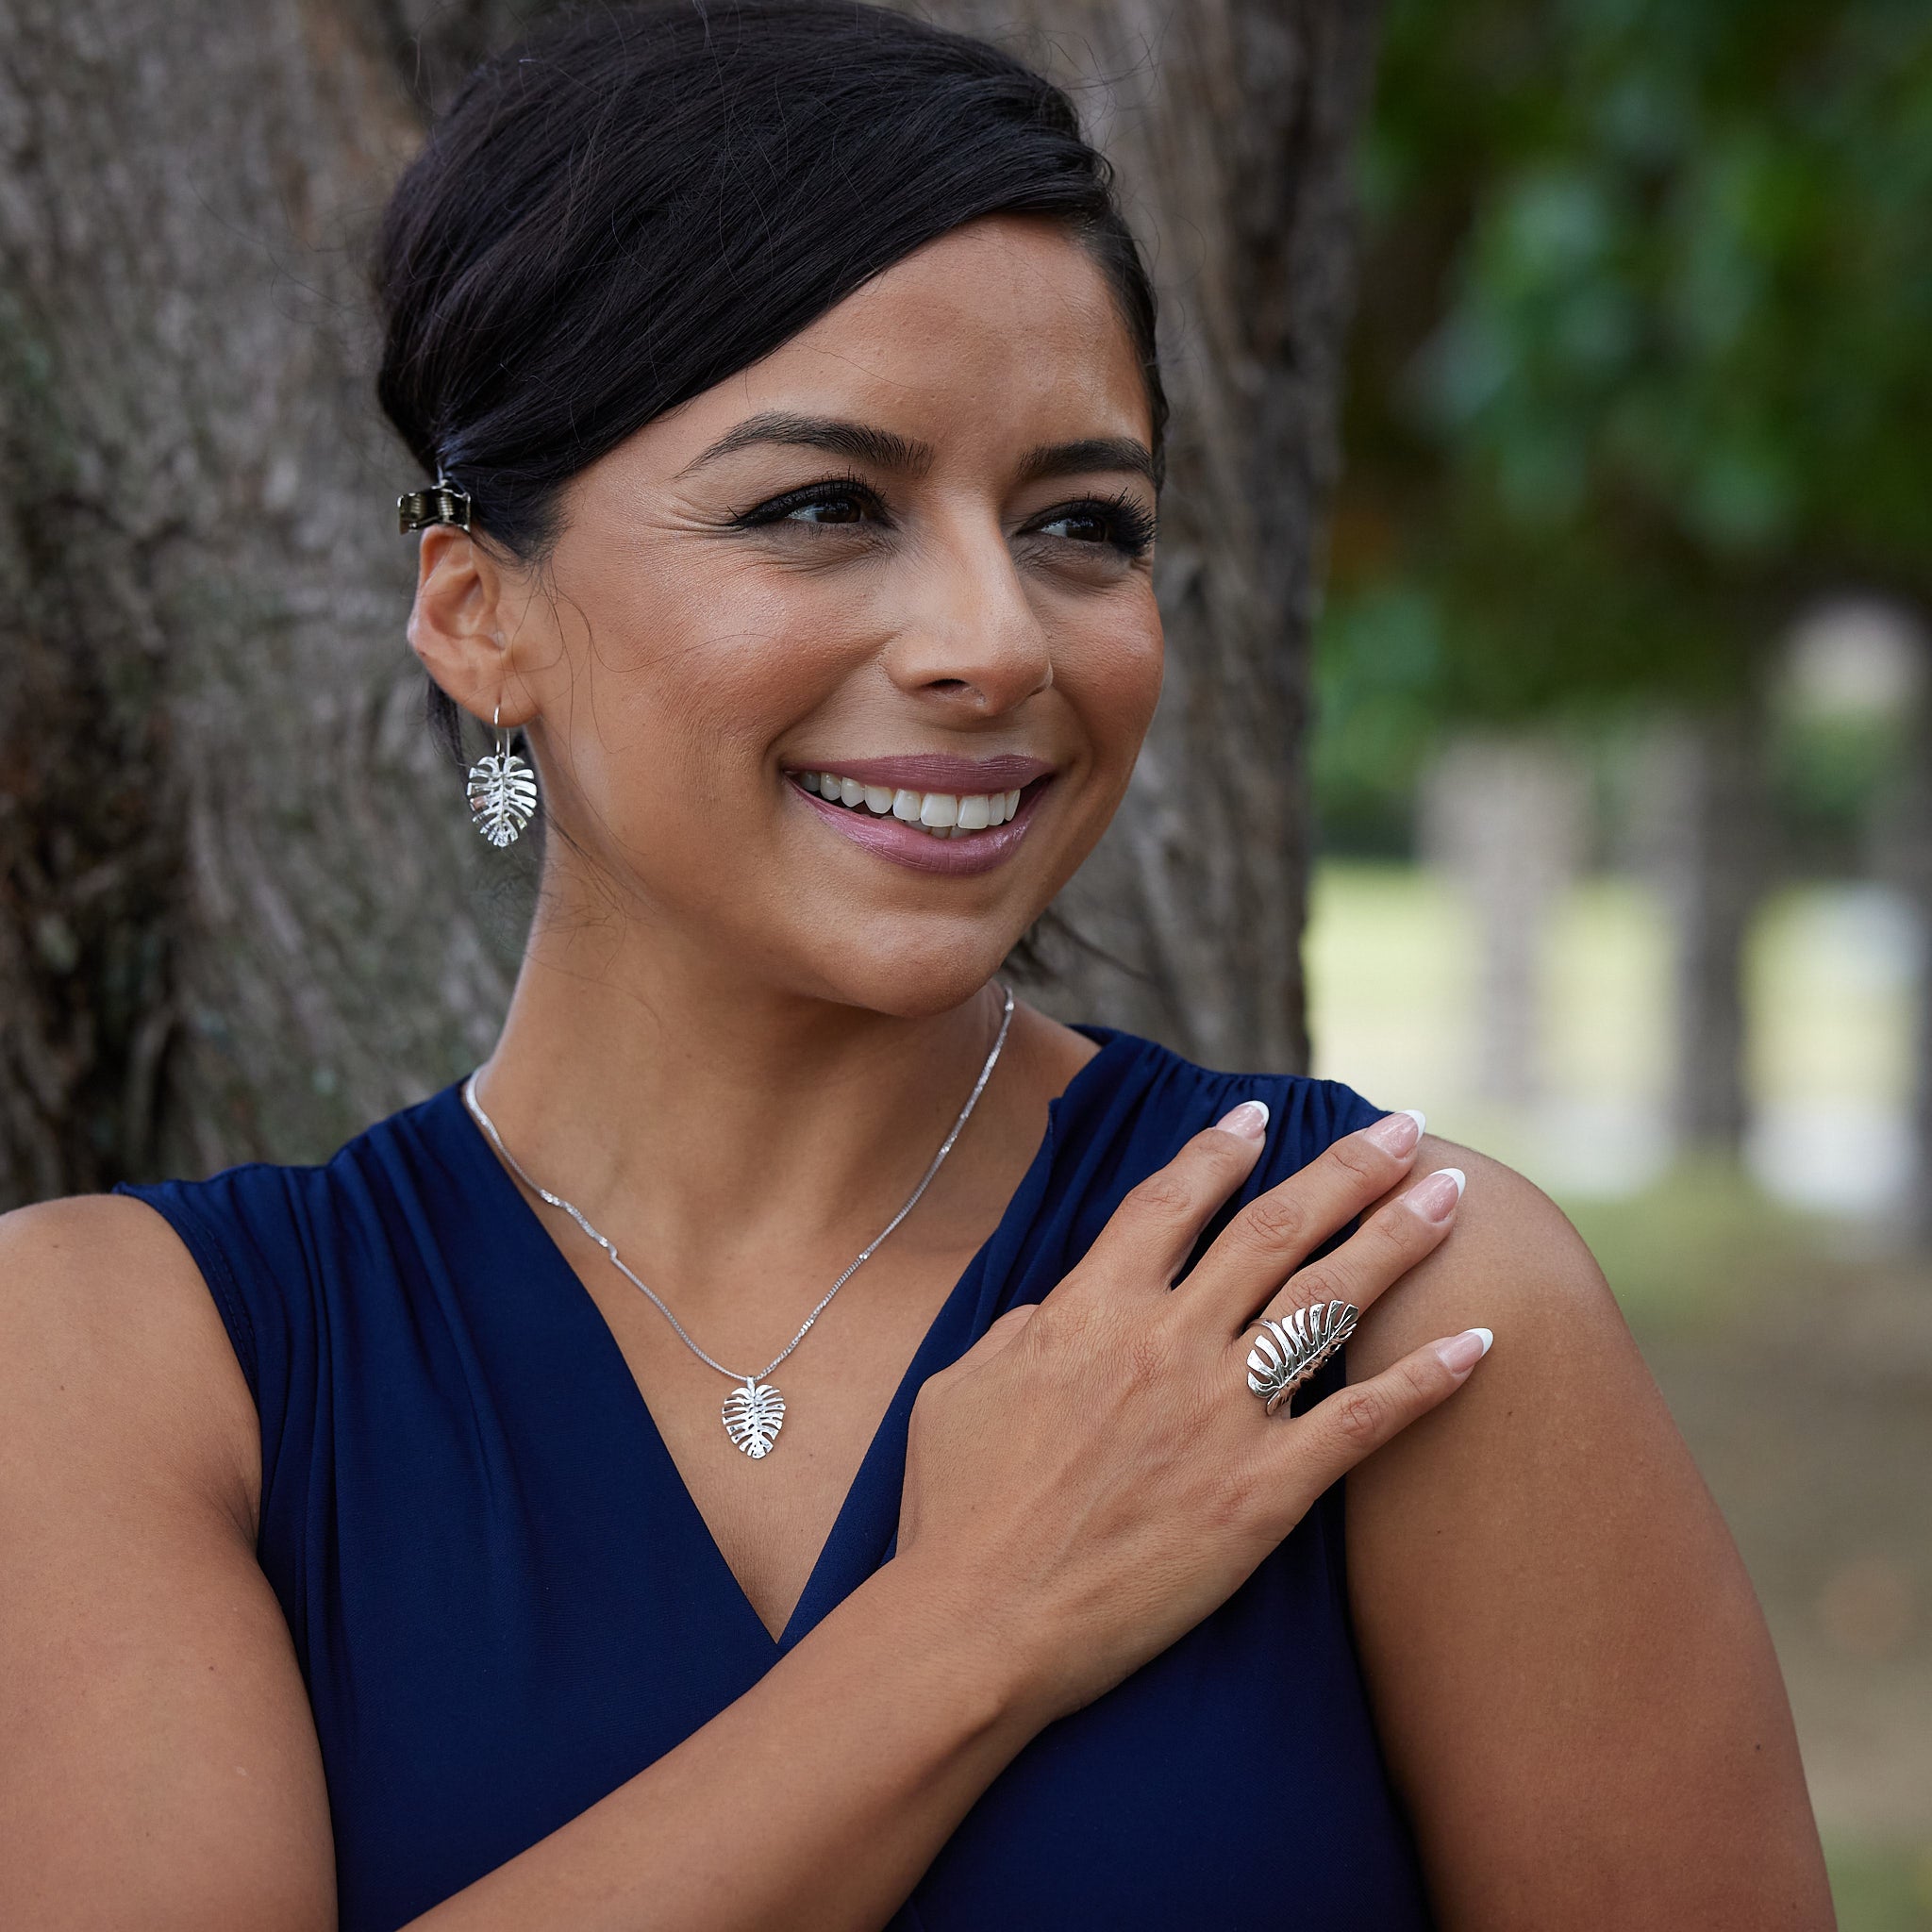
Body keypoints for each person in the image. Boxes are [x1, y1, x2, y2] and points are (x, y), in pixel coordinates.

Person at [0, 5, 1832, 1928]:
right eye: (821, 506)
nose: (995, 639)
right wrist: (972, 1621)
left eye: (1079, 527)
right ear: (481, 616)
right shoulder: (119, 1361)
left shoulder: (1385, 1302)